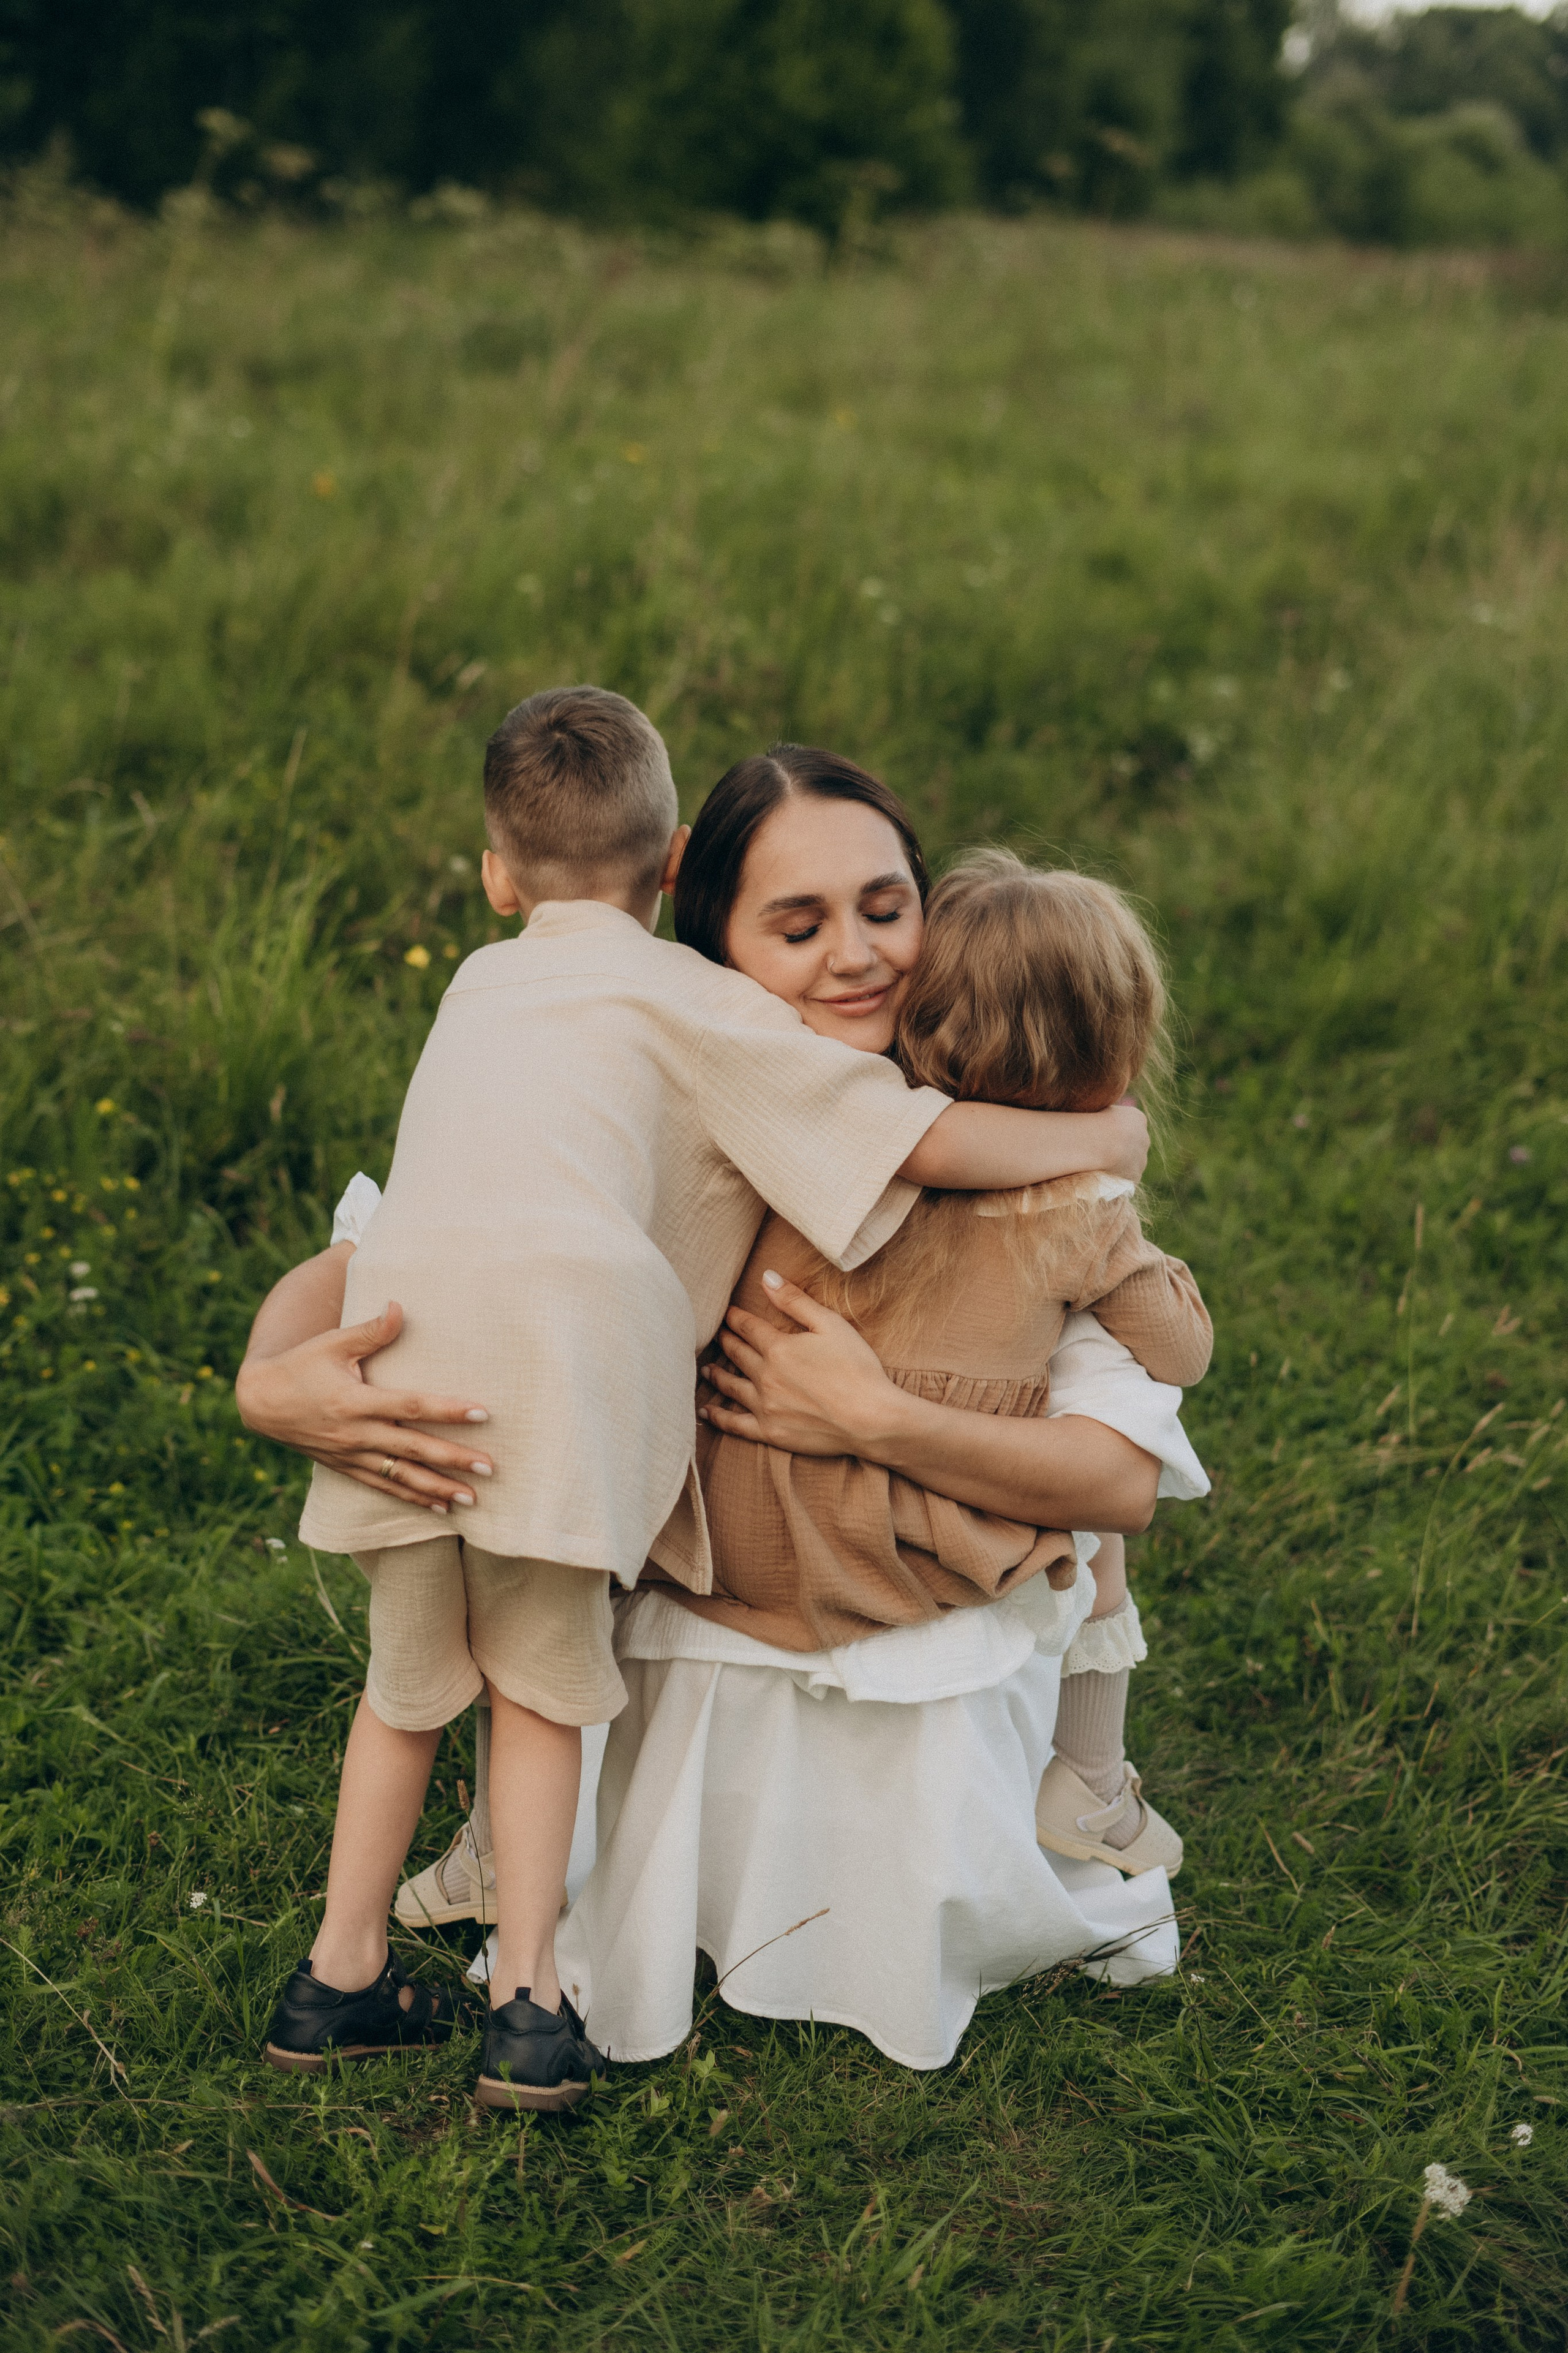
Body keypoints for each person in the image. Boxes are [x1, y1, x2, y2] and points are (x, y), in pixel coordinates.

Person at [245, 698, 1152, 2110]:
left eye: (884, 906)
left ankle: (351, 1967)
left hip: (828, 1563)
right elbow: (375, 1243)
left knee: (422, 1679)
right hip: (616, 1518)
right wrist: (267, 1375)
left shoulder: (521, 993)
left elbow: (1124, 1475)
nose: (852, 953)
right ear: (698, 917)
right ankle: (513, 1975)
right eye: (796, 925)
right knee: (518, 1676)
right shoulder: (681, 1045)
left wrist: (879, 1417)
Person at [680, 847, 1212, 1877]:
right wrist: (1116, 1197)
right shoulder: (1076, 1211)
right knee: (1097, 1531)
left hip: (736, 1529)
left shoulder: (836, 1143)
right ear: (1114, 1057)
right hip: (901, 1551)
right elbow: (1181, 1351)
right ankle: (1092, 1781)